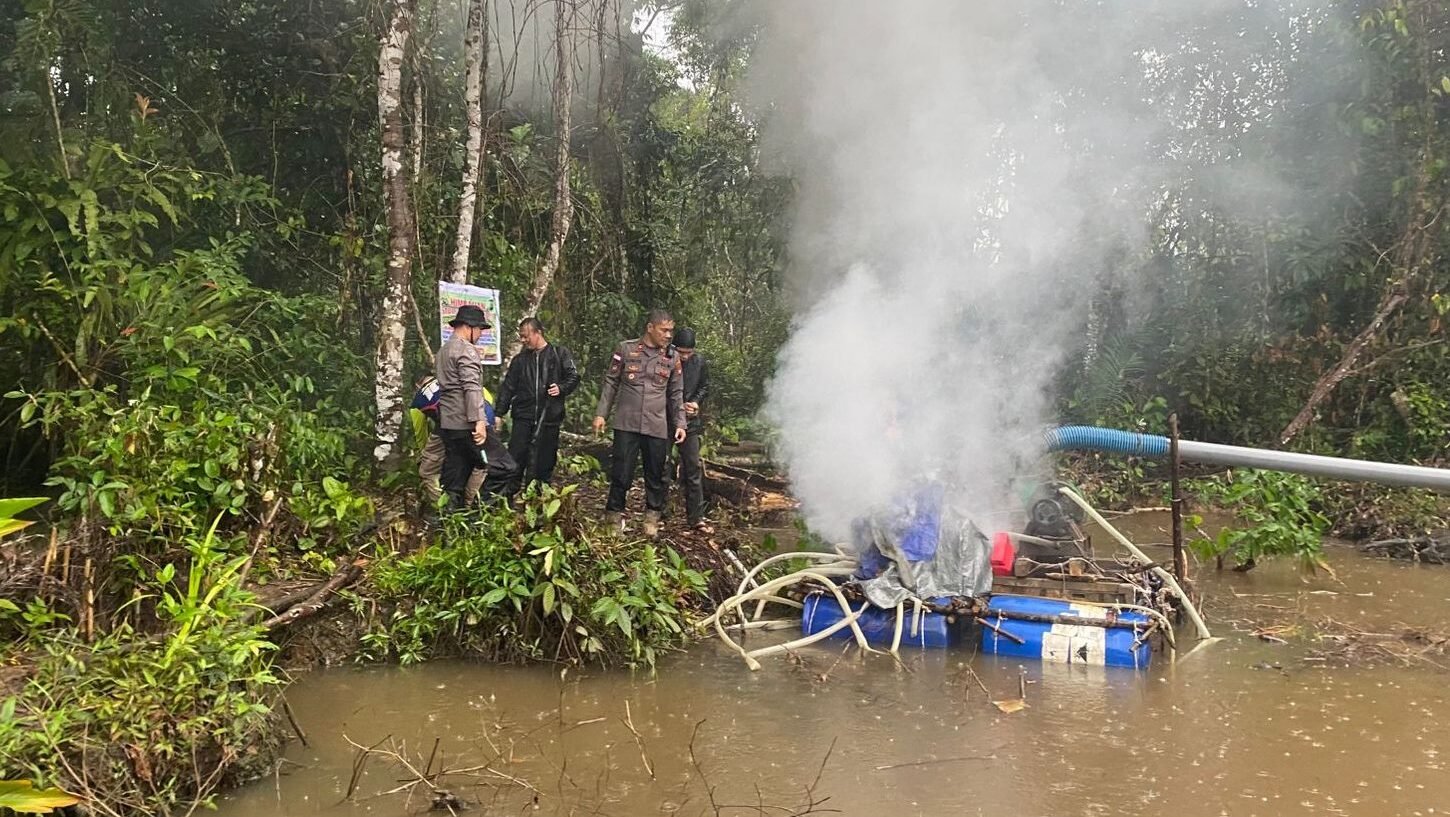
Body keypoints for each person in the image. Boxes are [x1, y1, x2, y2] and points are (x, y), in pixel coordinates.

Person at [592, 309, 687, 538]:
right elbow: (611, 382)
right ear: (650, 327)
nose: (668, 335)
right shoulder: (626, 349)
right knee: (621, 472)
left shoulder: (672, 357)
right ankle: (614, 518)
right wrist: (601, 414)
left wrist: (681, 423)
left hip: (656, 425)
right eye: (664, 330)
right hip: (627, 422)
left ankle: (652, 520)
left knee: (655, 473)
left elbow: (676, 393)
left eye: (671, 331)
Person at [437, 305, 518, 509]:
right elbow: (471, 388)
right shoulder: (465, 350)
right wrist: (479, 422)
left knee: (456, 477)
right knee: (505, 467)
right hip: (467, 424)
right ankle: (480, 514)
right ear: (469, 327)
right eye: (480, 329)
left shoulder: (444, 350)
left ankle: (450, 524)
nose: (481, 334)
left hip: (449, 424)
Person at [494, 317, 580, 493]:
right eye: (522, 337)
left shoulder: (559, 353)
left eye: (526, 336)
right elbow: (508, 387)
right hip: (523, 418)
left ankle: (539, 501)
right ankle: (508, 499)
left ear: (538, 332)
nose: (524, 341)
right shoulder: (519, 360)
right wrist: (499, 413)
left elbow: (573, 376)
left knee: (544, 462)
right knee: (515, 459)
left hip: (549, 418)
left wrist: (561, 388)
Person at [412, 374, 488, 507]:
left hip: (448, 427)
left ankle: (441, 507)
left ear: (417, 386)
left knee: (428, 471)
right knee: (480, 464)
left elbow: (420, 432)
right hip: (481, 424)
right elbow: (487, 399)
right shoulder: (453, 379)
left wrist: (424, 452)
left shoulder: (420, 398)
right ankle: (472, 505)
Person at [670, 327, 711, 532]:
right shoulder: (665, 359)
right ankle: (660, 513)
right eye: (681, 352)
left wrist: (695, 402)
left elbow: (704, 386)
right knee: (660, 466)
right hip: (665, 420)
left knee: (693, 468)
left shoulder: (699, 362)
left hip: (690, 422)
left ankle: (696, 517)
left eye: (689, 352)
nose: (685, 356)